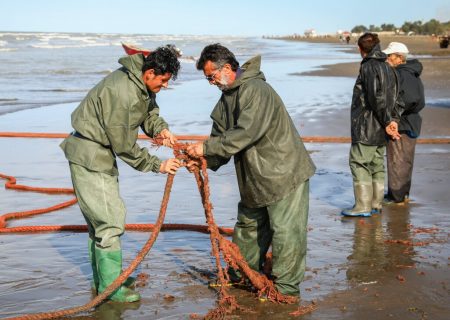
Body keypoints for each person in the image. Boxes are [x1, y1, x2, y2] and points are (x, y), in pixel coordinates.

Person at [186, 44, 316, 298]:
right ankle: (241, 275)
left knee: (286, 233)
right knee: (248, 228)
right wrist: (204, 161)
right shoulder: (226, 99)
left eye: (212, 76)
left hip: (283, 172)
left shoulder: (257, 90)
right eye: (207, 78)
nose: (211, 82)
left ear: (227, 68)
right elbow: (220, 138)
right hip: (253, 177)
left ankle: (287, 289)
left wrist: (204, 148)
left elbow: (246, 132)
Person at [60, 46, 182, 302]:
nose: (165, 85)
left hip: (98, 154)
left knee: (100, 223)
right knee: (109, 222)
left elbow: (149, 112)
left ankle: (105, 280)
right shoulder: (124, 93)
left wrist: (161, 130)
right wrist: (157, 165)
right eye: (163, 80)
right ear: (150, 72)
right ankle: (110, 289)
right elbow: (124, 145)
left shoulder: (139, 82)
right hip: (91, 156)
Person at [341, 33, 402, 218]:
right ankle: (375, 204)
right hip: (382, 126)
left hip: (368, 126)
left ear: (360, 49)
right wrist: (392, 121)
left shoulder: (369, 65)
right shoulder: (388, 65)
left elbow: (376, 98)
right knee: (376, 164)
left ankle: (363, 206)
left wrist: (388, 121)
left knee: (359, 162)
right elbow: (398, 98)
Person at [383, 42, 425, 204]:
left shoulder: (402, 74)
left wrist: (394, 117)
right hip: (411, 122)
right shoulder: (410, 72)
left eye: (390, 56)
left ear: (399, 58)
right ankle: (402, 195)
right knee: (405, 161)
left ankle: (397, 197)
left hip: (403, 123)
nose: (387, 58)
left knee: (397, 161)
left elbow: (410, 99)